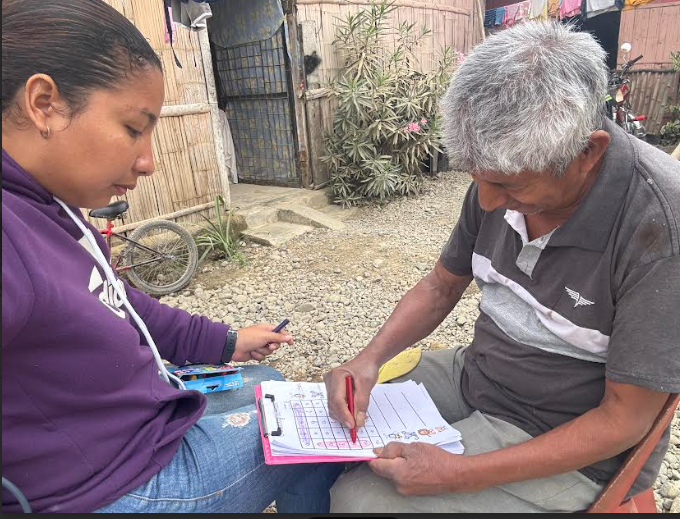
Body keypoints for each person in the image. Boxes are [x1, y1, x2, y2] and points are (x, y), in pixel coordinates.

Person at [324, 21, 680, 513]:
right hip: (479, 372)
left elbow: (623, 421)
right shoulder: (502, 174)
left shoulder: (661, 228)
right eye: (477, 179)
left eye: (510, 187)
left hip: (568, 438)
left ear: (588, 152)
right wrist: (367, 359)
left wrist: (458, 475)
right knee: (332, 427)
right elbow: (440, 286)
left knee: (361, 501)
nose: (487, 202)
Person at [1, 0, 342, 513]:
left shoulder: (52, 209)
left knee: (271, 385)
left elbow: (120, 303)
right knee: (315, 427)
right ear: (44, 104)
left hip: (134, 425)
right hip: (113, 484)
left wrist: (226, 341)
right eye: (133, 128)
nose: (148, 161)